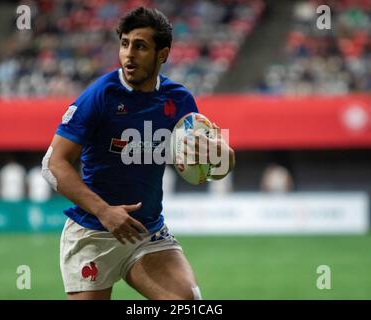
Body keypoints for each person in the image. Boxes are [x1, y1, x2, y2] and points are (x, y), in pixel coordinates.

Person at [42, 7, 235, 300]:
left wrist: (222, 153)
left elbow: (210, 168)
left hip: (147, 233)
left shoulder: (179, 100)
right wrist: (104, 211)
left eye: (140, 46)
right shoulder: (100, 96)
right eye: (124, 44)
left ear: (163, 54)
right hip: (92, 233)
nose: (129, 54)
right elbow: (52, 164)